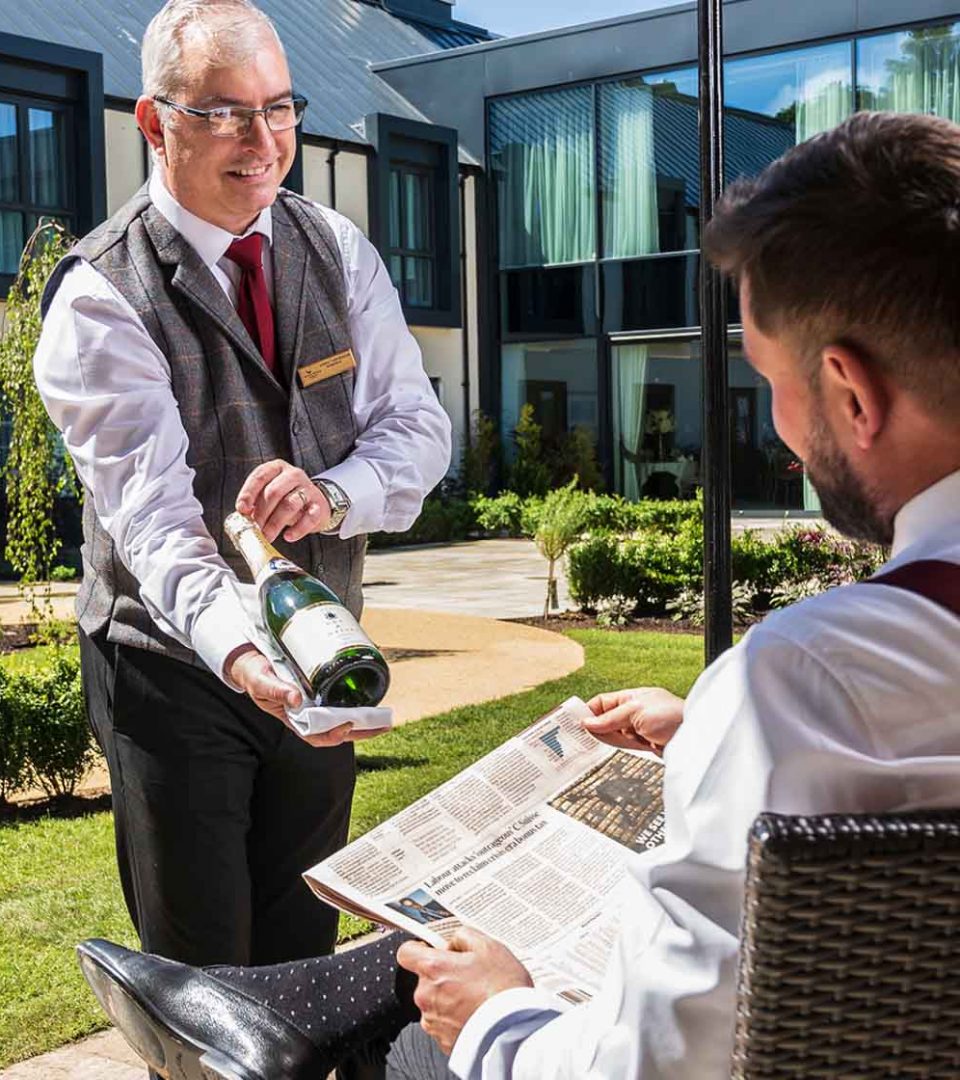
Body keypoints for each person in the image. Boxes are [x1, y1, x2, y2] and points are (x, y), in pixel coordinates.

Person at [76, 109, 960, 1080]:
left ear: (852, 393)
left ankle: (297, 1024)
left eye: (768, 381)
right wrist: (713, 725)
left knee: (427, 1029)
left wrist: (497, 1015)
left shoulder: (806, 684)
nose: (784, 436)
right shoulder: (845, 686)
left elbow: (649, 1068)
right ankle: (279, 1010)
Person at [34, 0, 451, 980]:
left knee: (303, 950)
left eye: (279, 108)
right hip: (172, 671)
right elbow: (158, 530)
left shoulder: (337, 251)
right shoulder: (99, 296)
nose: (262, 142)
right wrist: (239, 654)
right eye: (225, 113)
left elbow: (417, 429)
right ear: (154, 123)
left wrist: (335, 494)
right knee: (209, 976)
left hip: (321, 659)